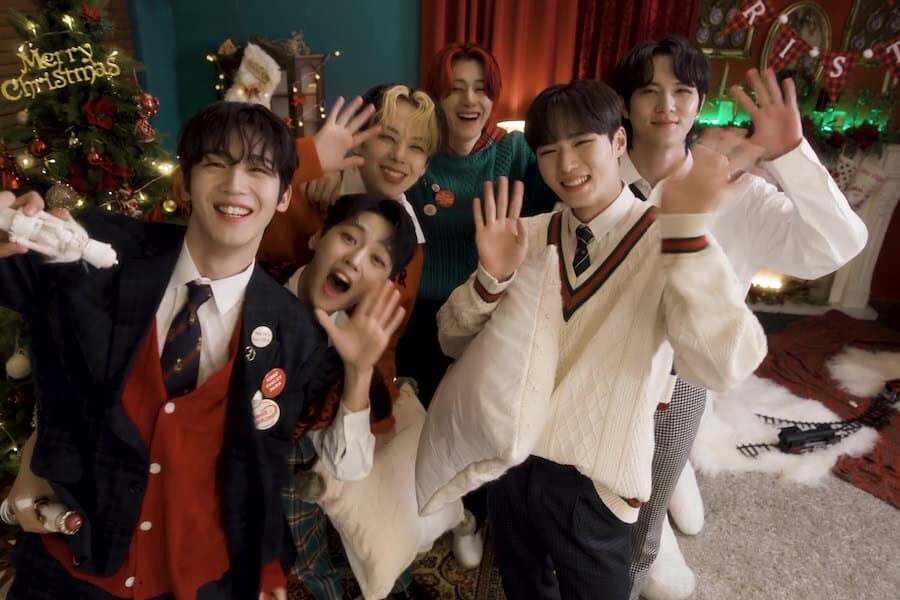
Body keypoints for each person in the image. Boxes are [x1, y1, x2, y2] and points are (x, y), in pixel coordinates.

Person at [0, 99, 375, 600]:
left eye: (258, 170)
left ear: (284, 195)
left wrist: (264, 571)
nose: (236, 185)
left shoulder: (295, 334)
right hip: (69, 564)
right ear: (184, 185)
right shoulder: (92, 248)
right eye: (216, 163)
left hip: (194, 579)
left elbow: (262, 468)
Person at [435, 79, 768, 599]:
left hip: (596, 481)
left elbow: (725, 365)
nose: (566, 164)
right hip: (512, 464)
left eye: (581, 142)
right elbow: (452, 341)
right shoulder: (527, 236)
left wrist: (689, 238)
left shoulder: (670, 236)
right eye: (549, 150)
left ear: (618, 141)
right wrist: (491, 279)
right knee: (523, 588)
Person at [610, 35, 868, 600]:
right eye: (649, 91)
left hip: (684, 379)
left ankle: (662, 502)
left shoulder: (740, 193)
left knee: (651, 515)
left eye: (682, 90)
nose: (666, 105)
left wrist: (791, 153)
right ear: (627, 102)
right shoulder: (594, 177)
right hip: (605, 367)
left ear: (700, 102)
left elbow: (840, 244)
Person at [259, 85, 446, 598]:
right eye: (387, 137)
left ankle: (390, 579)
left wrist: (369, 398)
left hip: (346, 391)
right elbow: (228, 193)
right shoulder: (306, 194)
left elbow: (385, 337)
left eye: (417, 147)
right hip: (273, 403)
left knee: (366, 502)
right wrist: (309, 163)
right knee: (302, 523)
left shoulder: (410, 243)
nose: (399, 157)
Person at [396, 42, 557, 566]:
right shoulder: (417, 151)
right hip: (418, 306)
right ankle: (430, 511)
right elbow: (374, 184)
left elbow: (561, 199)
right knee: (420, 415)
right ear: (436, 97)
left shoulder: (512, 152)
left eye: (481, 89)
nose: (470, 100)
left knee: (479, 419)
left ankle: (474, 513)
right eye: (455, 89)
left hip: (486, 303)